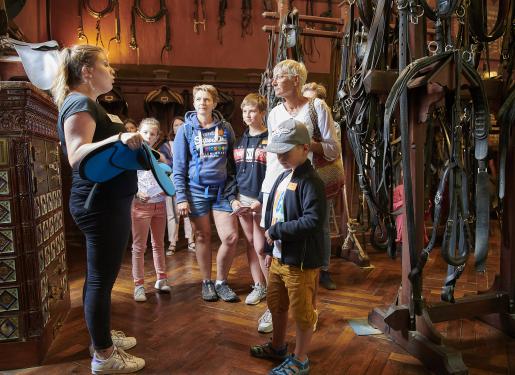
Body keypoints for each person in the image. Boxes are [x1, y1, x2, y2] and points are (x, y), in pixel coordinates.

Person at [52, 44, 145, 373]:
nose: (112, 70)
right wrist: (117, 139)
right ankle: (103, 356)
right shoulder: (79, 102)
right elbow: (77, 155)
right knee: (99, 283)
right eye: (106, 64)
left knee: (99, 279)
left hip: (107, 202)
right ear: (87, 72)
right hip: (99, 203)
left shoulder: (89, 104)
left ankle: (100, 337)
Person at [258, 60, 341, 334]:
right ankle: (276, 308)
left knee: (307, 247)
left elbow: (332, 148)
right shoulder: (273, 113)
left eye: (279, 77)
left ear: (296, 80)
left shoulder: (317, 107)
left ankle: (310, 309)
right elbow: (274, 153)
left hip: (308, 183)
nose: (273, 82)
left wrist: (302, 144)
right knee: (276, 248)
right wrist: (267, 192)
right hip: (279, 183)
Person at [250, 119, 326, 375]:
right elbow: (276, 214)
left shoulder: (312, 181)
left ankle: (301, 358)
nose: (280, 155)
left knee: (303, 313)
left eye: (286, 150)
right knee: (276, 305)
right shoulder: (283, 176)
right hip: (280, 259)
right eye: (278, 150)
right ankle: (278, 346)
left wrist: (276, 232)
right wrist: (271, 250)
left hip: (300, 262)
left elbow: (313, 221)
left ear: (305, 148)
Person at [173, 84, 240, 302]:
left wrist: (234, 191)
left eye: (207, 99)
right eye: (199, 99)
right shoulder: (186, 130)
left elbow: (233, 162)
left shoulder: (226, 128)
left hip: (222, 192)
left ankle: (221, 281)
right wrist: (181, 197)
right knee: (202, 236)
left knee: (230, 237)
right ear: (194, 103)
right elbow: (179, 167)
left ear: (214, 103)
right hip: (196, 191)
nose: (203, 102)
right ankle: (207, 282)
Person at [232, 93, 268, 305]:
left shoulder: (270, 137)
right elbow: (235, 172)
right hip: (243, 198)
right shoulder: (239, 140)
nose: (247, 115)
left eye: (252, 110)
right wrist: (234, 199)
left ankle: (273, 289)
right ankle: (259, 286)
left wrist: (262, 199)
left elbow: (275, 173)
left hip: (261, 199)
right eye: (245, 111)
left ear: (262, 112)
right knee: (251, 244)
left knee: (261, 246)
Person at [131, 118, 172, 302]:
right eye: (145, 132)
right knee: (139, 247)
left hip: (159, 204)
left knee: (158, 244)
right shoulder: (131, 155)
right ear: (138, 131)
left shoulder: (159, 156)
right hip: (141, 206)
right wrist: (136, 193)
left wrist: (165, 187)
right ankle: (138, 285)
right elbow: (126, 180)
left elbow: (166, 177)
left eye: (152, 133)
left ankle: (161, 279)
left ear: (157, 137)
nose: (148, 136)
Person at [160, 117, 195, 255]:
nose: (179, 127)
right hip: (172, 182)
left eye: (182, 124)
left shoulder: (191, 141)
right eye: (176, 125)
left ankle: (191, 240)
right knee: (172, 213)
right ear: (172, 128)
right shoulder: (166, 145)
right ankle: (172, 242)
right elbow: (166, 165)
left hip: (189, 181)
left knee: (188, 213)